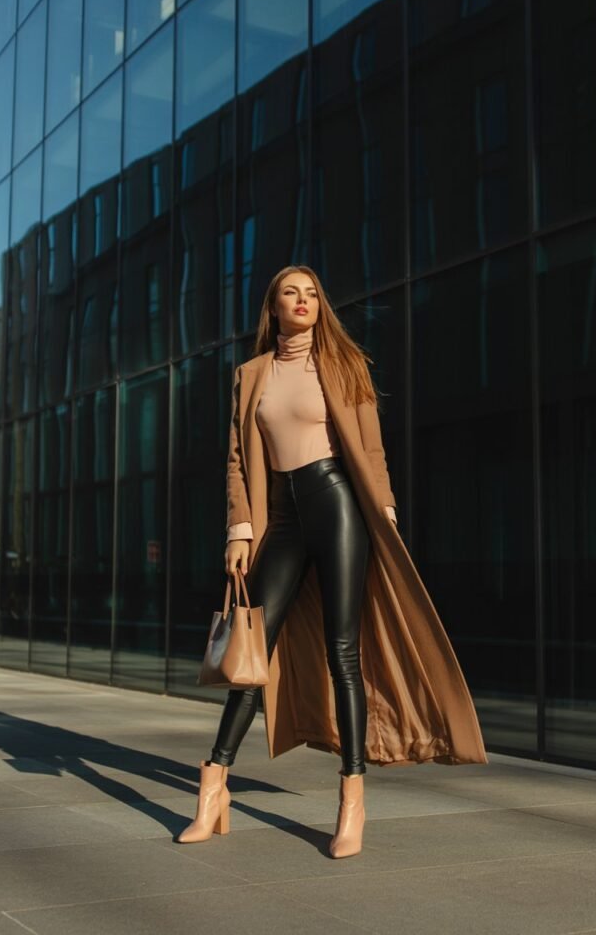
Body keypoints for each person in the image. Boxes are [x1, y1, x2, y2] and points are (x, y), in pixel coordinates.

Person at [176, 264, 488, 857]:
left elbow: (370, 446)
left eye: (311, 293)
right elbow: (238, 459)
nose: (302, 301)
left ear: (320, 305)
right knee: (251, 655)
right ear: (273, 307)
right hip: (281, 517)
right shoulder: (250, 374)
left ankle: (351, 800)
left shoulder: (346, 363)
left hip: (336, 502)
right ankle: (213, 787)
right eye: (290, 293)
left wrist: (384, 510)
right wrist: (239, 529)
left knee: (343, 652)